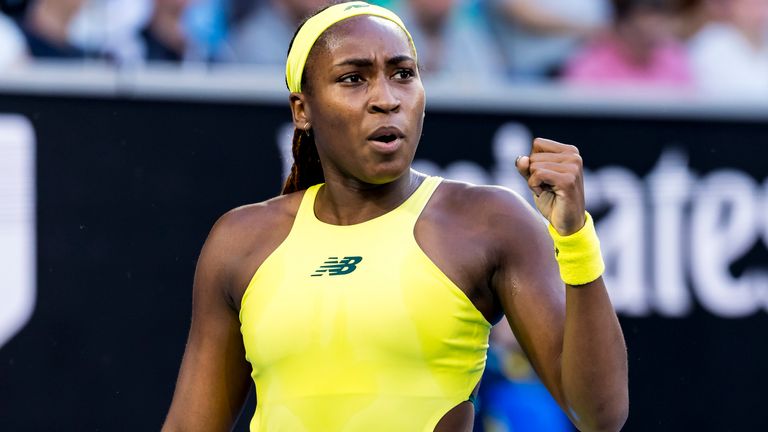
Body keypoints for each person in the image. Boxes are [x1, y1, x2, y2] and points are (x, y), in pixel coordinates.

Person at [161, 2, 629, 431]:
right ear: (302, 109)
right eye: (353, 78)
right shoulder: (240, 240)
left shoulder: (490, 221)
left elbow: (597, 414)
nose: (386, 98)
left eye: (403, 74)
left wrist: (575, 240)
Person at [562, 0, 692, 87]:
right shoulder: (588, 65)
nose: (650, 37)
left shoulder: (674, 58)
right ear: (621, 26)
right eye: (641, 33)